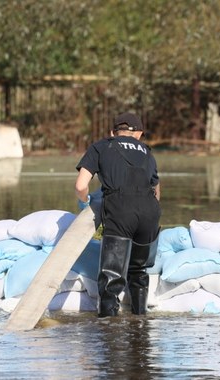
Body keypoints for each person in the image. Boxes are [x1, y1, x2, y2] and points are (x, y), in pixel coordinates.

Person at [75, 112, 161, 317]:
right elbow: (156, 190)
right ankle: (140, 321)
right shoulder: (148, 152)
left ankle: (108, 327)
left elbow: (81, 185)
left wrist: (85, 201)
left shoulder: (102, 146)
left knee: (112, 275)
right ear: (139, 134)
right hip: (150, 212)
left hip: (121, 210)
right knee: (139, 272)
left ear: (112, 132)